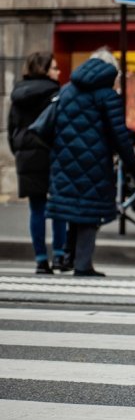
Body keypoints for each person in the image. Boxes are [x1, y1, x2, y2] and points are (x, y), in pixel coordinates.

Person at [46, 48, 135, 277]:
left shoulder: (67, 90)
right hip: (94, 162)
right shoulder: (107, 95)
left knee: (74, 209)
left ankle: (70, 256)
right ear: (109, 70)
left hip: (64, 160)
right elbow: (119, 134)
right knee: (89, 213)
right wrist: (132, 163)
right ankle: (83, 264)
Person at [8, 52, 68, 274]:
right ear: (44, 70)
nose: (58, 72)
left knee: (37, 208)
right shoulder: (56, 93)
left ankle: (41, 260)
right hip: (52, 152)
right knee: (59, 205)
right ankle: (60, 255)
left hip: (27, 154)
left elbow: (12, 126)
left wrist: (19, 151)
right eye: (54, 68)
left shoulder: (18, 93)